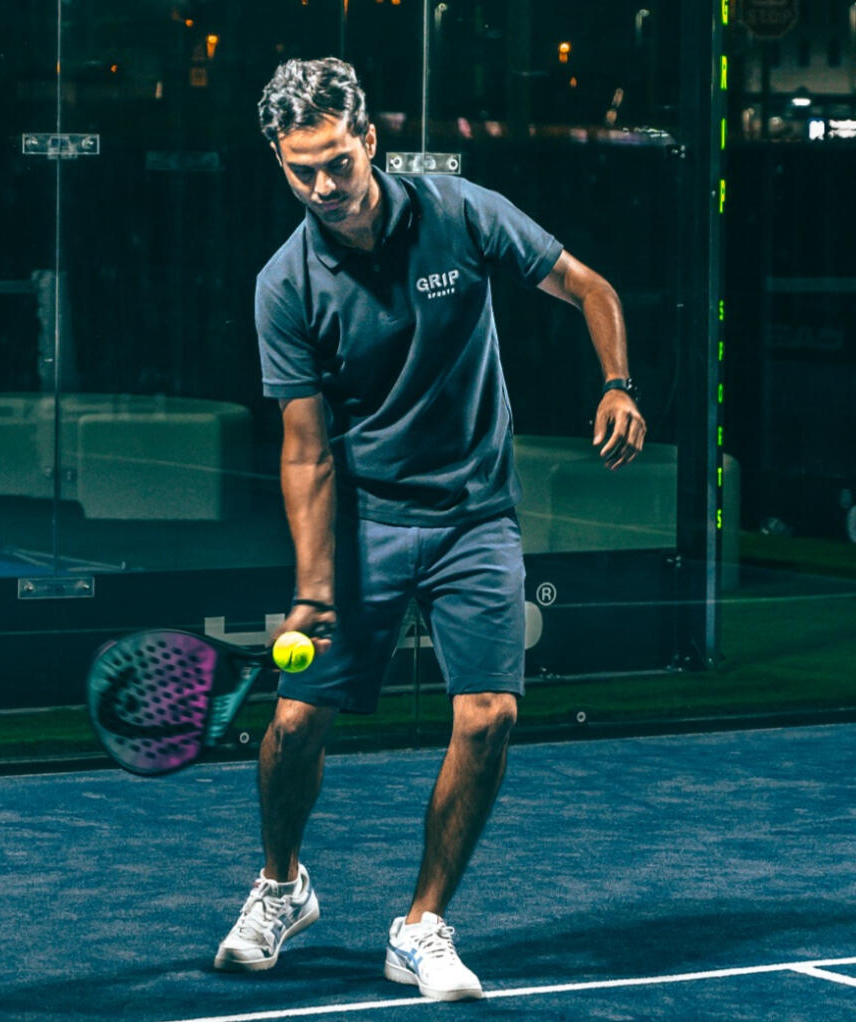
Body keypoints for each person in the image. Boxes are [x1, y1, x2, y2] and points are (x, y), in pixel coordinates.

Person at [214, 57, 645, 1001]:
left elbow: (590, 288)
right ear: (281, 166)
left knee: (489, 717)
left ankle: (421, 926)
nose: (324, 185)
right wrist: (313, 592)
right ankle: (282, 886)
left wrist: (616, 381)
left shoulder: (461, 211)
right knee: (292, 722)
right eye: (301, 169)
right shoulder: (284, 284)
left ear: (369, 139)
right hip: (365, 524)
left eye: (336, 160)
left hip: (475, 516)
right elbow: (305, 450)